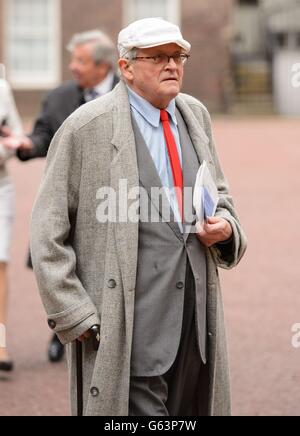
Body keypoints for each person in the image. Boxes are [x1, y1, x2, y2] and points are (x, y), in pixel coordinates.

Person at [30, 18, 247, 416]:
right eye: (159, 57)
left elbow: (221, 196)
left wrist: (228, 229)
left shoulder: (195, 115)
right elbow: (46, 232)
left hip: (196, 329)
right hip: (126, 329)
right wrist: (75, 314)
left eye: (178, 55)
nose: (173, 65)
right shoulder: (85, 129)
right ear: (126, 67)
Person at [5, 29, 119, 363]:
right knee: (64, 261)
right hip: (71, 200)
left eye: (81, 60)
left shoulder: (130, 95)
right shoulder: (57, 98)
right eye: (73, 59)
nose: (73, 67)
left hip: (115, 199)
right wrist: (27, 144)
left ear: (103, 66)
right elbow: (43, 135)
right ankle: (63, 330)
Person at [0, 77, 23, 371]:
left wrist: (6, 145)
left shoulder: (1, 87)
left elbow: (16, 134)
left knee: (0, 263)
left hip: (0, 185)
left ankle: (0, 344)